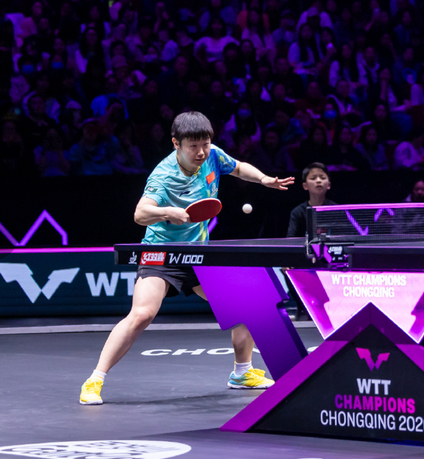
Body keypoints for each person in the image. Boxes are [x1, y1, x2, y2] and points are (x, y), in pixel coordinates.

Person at [79, 112, 294, 405]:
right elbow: (140, 213)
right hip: (161, 255)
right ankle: (95, 380)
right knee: (142, 314)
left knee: (247, 305)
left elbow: (238, 167)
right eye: (193, 146)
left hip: (199, 255)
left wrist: (263, 179)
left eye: (205, 144)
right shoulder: (163, 175)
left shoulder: (212, 155)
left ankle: (242, 373)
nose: (201, 152)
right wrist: (167, 212)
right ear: (176, 144)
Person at [287, 163, 336, 237]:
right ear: (305, 186)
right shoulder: (298, 213)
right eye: (313, 178)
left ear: (329, 185)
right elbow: (290, 239)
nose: (318, 181)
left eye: (322, 178)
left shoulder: (336, 210)